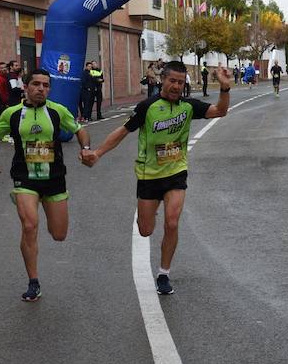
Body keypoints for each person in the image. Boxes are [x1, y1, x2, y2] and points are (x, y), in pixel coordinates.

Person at [81, 61, 231, 296]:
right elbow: (122, 132)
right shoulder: (147, 107)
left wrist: (224, 89)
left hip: (175, 172)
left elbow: (220, 111)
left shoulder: (189, 106)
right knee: (145, 230)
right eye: (172, 81)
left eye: (180, 82)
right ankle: (150, 211)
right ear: (163, 80)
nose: (176, 86)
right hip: (148, 175)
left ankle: (163, 273)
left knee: (172, 222)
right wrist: (98, 152)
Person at [0, 69, 91, 302]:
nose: (41, 89)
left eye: (45, 85)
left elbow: (80, 130)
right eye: (36, 84)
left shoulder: (57, 111)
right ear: (26, 87)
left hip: (54, 179)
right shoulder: (12, 114)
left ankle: (46, 237)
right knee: (30, 225)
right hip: (25, 177)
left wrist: (85, 149)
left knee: (59, 234)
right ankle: (33, 282)